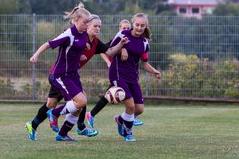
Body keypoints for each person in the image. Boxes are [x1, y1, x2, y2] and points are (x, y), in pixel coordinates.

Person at [25, 9, 128, 141]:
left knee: (55, 103)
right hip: (61, 75)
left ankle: (36, 126)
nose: (96, 28)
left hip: (71, 75)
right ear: (81, 22)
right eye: (92, 25)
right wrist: (35, 55)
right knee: (80, 101)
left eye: (98, 26)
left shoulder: (91, 40)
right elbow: (52, 44)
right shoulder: (73, 34)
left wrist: (121, 44)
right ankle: (75, 124)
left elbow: (109, 51)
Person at [109, 13, 161, 142]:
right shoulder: (123, 35)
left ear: (145, 26)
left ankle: (121, 119)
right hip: (118, 73)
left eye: (142, 26)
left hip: (132, 77)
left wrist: (154, 71)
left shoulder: (144, 43)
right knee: (131, 106)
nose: (139, 28)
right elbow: (109, 51)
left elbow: (144, 63)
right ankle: (128, 133)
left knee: (139, 109)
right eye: (137, 25)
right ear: (133, 24)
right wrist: (122, 49)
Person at [85, 19, 144, 129]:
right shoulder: (116, 39)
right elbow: (104, 51)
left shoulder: (134, 40)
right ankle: (127, 118)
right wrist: (109, 61)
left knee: (109, 95)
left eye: (127, 28)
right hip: (117, 72)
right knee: (117, 97)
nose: (126, 30)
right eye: (123, 28)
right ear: (119, 29)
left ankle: (93, 114)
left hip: (128, 74)